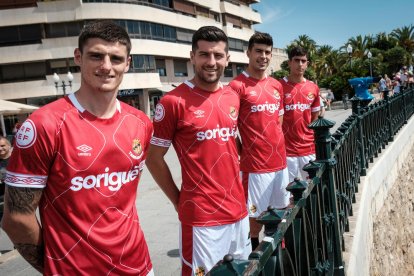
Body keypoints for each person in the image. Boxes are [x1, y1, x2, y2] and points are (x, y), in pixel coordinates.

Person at [1, 21, 154, 275]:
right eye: (96, 56)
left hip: (138, 265)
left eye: (116, 58)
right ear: (78, 57)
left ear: (128, 63)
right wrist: (52, 266)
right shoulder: (45, 124)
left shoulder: (140, 123)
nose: (106, 66)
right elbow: (16, 219)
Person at [146, 26, 250, 275]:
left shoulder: (232, 97)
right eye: (204, 55)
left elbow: (230, 143)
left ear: (227, 59)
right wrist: (177, 199)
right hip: (202, 218)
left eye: (217, 55)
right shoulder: (172, 102)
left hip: (239, 211)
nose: (211, 62)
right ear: (192, 57)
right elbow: (153, 158)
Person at [228, 32, 289, 250]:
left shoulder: (276, 85)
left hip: (280, 163)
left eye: (267, 52)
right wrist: (243, 152)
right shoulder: (236, 86)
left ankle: (279, 258)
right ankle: (255, 262)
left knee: (280, 213)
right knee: (254, 222)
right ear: (248, 53)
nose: (263, 56)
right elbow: (229, 129)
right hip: (255, 168)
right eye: (258, 51)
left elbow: (278, 121)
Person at [281, 46, 321, 182]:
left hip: (308, 149)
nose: (300, 64)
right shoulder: (278, 87)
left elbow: (315, 119)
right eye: (296, 60)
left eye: (303, 61)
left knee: (313, 189)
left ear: (307, 64)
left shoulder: (313, 88)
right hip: (286, 151)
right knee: (289, 193)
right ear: (289, 63)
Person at [0, 136, 12, 220]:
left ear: (9, 146)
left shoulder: (16, 159)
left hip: (18, 198)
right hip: (2, 198)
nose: (0, 148)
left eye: (2, 146)